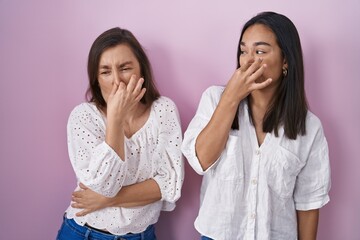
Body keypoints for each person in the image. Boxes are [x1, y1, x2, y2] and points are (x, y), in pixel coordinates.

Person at [181, 12, 331, 240]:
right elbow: (200, 160)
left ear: (285, 60)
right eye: (243, 51)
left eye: (260, 51)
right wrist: (230, 98)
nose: (248, 60)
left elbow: (309, 204)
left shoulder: (309, 127)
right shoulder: (214, 99)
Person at [56, 27, 184, 240]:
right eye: (106, 72)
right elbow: (103, 185)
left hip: (140, 235)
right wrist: (115, 120)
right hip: (83, 232)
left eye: (125, 68)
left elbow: (169, 184)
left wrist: (107, 200)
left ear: (141, 69)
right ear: (97, 79)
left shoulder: (164, 110)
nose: (117, 81)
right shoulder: (83, 117)